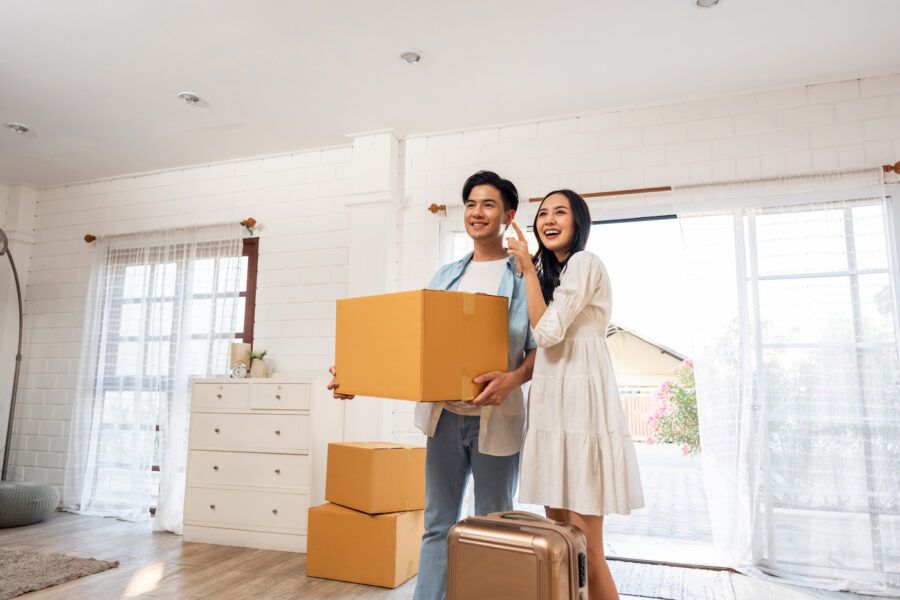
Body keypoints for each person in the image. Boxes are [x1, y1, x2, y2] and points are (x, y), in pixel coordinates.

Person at [328, 170, 537, 600]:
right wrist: (356, 374)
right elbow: (412, 341)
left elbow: (541, 346)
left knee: (492, 527)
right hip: (444, 420)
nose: (478, 213)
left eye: (489, 205)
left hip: (494, 419)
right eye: (472, 204)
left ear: (509, 215)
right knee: (438, 524)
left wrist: (512, 379)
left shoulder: (524, 276)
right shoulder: (446, 274)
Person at [506, 189, 644, 600]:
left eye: (560, 212)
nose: (548, 220)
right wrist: (530, 271)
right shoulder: (553, 276)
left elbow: (546, 332)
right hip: (552, 406)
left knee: (586, 548)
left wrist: (527, 269)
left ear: (578, 221)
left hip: (582, 405)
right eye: (543, 213)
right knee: (562, 544)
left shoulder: (584, 263)